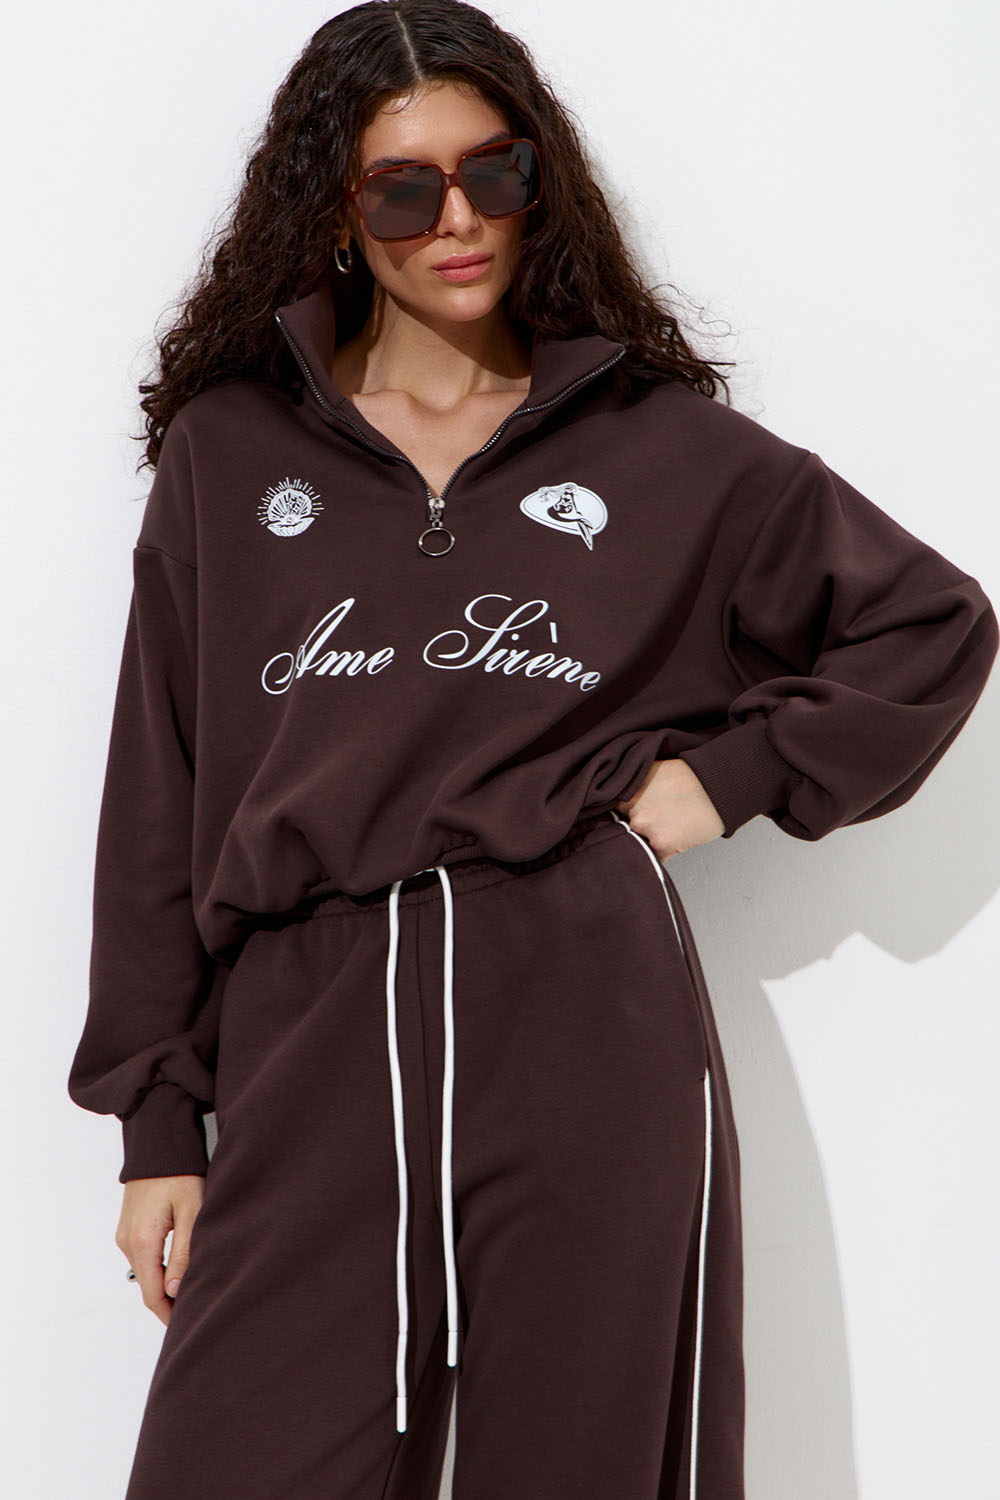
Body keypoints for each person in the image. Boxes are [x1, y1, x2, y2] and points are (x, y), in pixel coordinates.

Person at [66, 3, 999, 1498]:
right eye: (401, 190)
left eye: (492, 174)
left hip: (586, 1024)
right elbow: (156, 800)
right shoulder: (230, 459)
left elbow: (931, 623)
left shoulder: (661, 450)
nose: (457, 222)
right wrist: (156, 1125)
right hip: (310, 1039)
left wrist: (726, 780)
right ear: (334, 212)